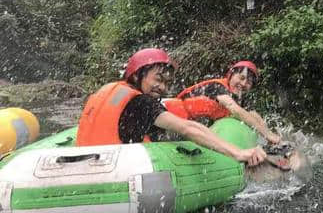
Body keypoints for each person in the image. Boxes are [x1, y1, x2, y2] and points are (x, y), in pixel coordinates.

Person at [76, 48, 266, 166]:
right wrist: (238, 152)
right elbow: (188, 128)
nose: (162, 87)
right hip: (115, 171)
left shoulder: (113, 90)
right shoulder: (142, 102)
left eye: (167, 83)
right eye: (158, 79)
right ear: (137, 76)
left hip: (88, 162)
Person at [163, 60, 282, 144]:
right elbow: (235, 109)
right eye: (241, 78)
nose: (243, 84)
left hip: (187, 127)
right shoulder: (218, 87)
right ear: (230, 75)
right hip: (168, 119)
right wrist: (268, 135)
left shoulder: (240, 98)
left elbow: (254, 116)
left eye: (249, 82)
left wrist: (270, 136)